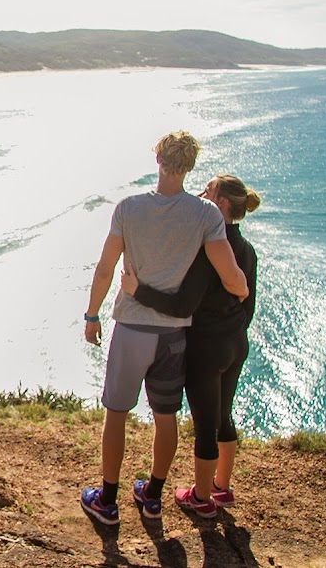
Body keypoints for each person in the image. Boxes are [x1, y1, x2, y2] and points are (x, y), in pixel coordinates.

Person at [80, 131, 248, 526]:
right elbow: (232, 278)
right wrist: (240, 294)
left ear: (158, 159)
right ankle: (153, 496)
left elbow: (106, 269)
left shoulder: (129, 208)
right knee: (165, 417)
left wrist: (91, 315)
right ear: (189, 166)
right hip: (174, 335)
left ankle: (107, 501)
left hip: (132, 330)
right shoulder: (207, 215)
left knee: (117, 414)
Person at [120, 174, 260, 519]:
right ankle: (221, 487)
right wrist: (230, 330)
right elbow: (249, 306)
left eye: (208, 190)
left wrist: (138, 291)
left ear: (222, 204)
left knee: (205, 424)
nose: (201, 193)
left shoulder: (210, 249)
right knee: (223, 414)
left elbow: (183, 306)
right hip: (235, 343)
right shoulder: (246, 250)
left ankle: (200, 497)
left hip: (206, 349)